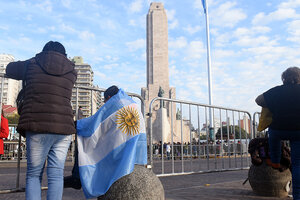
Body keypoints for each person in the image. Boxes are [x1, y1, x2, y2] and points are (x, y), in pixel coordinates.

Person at [6, 41, 77, 200]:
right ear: (65, 55)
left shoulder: (32, 64)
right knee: (56, 174)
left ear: (43, 52)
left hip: (37, 124)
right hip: (64, 128)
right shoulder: (72, 71)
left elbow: (9, 68)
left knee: (33, 174)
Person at [255, 67, 300, 199]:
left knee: (273, 135)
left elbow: (258, 100)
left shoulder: (276, 90)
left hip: (279, 129)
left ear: (284, 78)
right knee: (298, 164)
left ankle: (275, 160)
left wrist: (273, 103)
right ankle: (297, 196)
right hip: (299, 132)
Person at [64, 85, 119, 189]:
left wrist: (76, 124)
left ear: (109, 98)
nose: (104, 103)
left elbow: (93, 123)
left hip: (111, 146)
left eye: (105, 100)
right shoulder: (125, 106)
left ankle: (77, 177)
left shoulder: (111, 108)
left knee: (82, 140)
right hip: (119, 144)